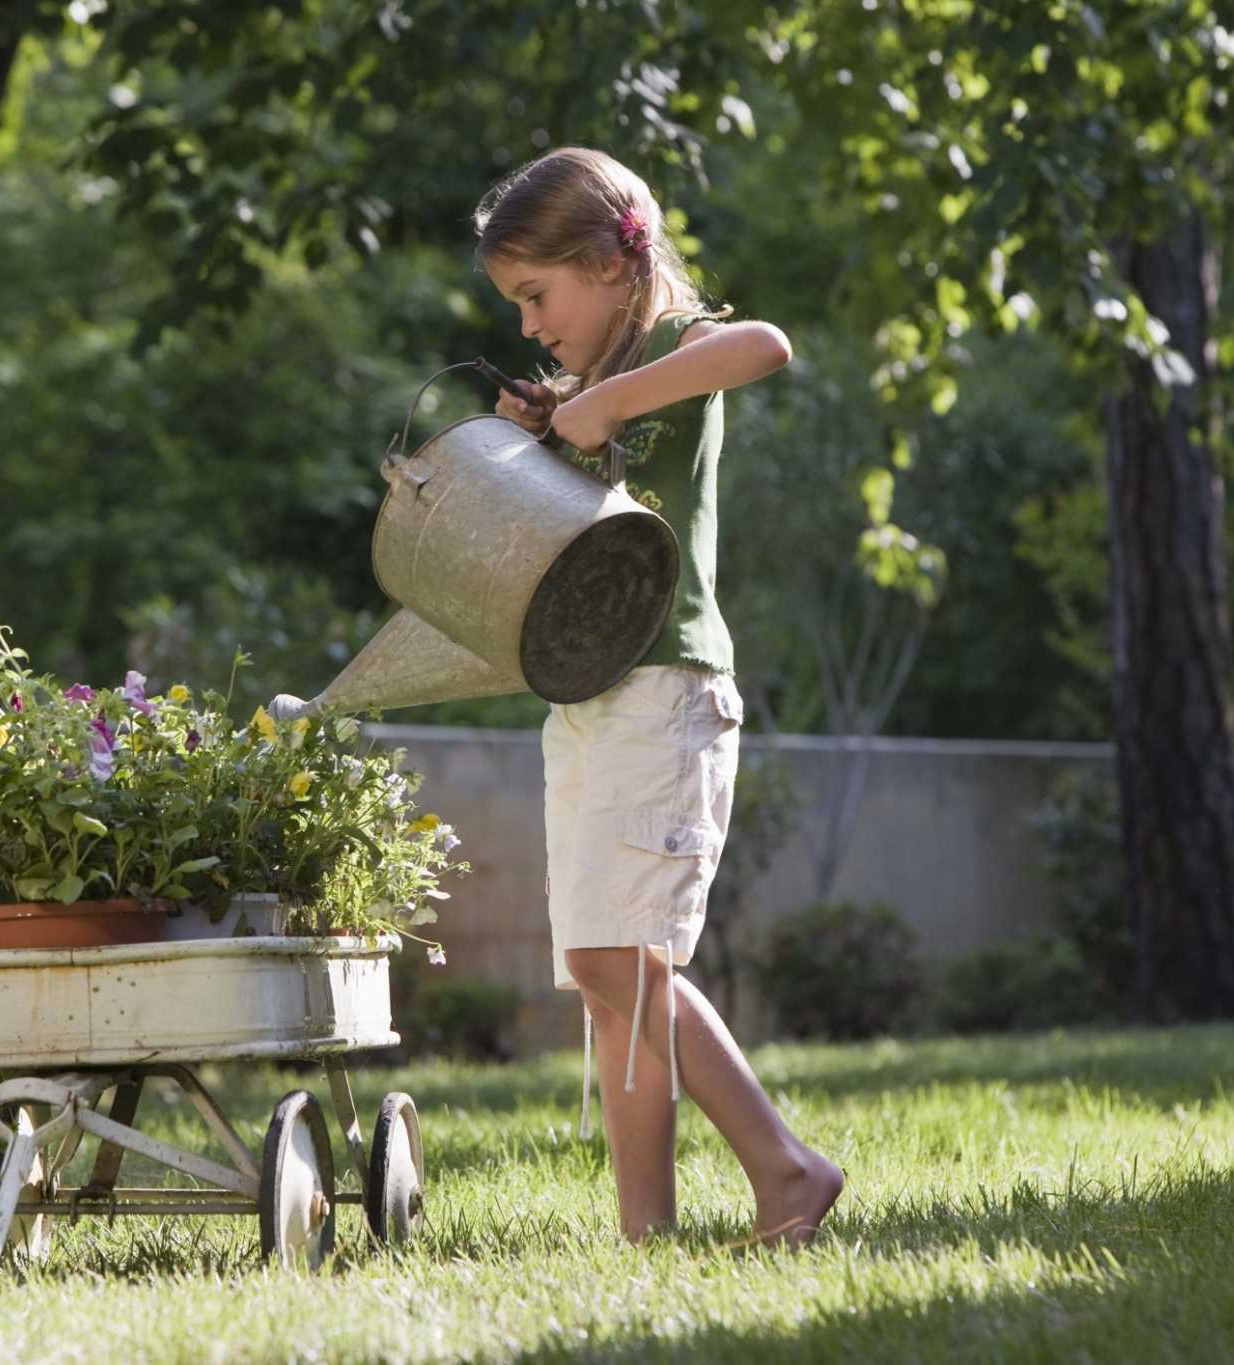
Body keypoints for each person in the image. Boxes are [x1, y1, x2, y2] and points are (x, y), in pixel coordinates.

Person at [473, 146, 844, 1248]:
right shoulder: (585, 391)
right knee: (611, 979)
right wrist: (552, 426)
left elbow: (763, 346)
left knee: (615, 962)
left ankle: (786, 1170)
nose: (530, 323)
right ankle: (646, 1237)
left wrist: (610, 401)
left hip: (667, 687)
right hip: (587, 697)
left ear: (604, 260)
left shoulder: (678, 350)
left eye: (537, 295)